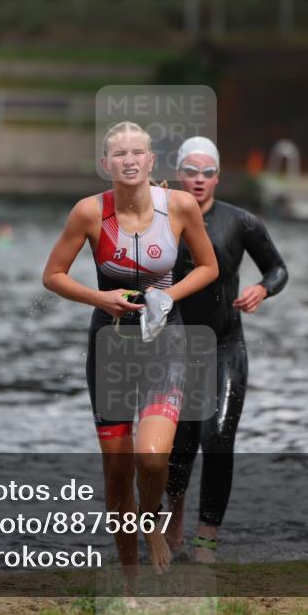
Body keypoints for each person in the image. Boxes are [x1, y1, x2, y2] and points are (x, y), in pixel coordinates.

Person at [42, 122, 218, 581]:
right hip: (111, 346)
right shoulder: (88, 213)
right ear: (106, 165)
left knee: (153, 457)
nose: (129, 160)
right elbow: (53, 275)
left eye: (137, 151)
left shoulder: (178, 206)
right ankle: (129, 579)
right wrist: (100, 298)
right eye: (119, 154)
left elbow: (209, 266)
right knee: (118, 473)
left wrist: (170, 295)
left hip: (165, 340)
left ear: (151, 161)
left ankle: (152, 518)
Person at [164, 136, 288, 563]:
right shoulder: (157, 220)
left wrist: (261, 288)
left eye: (208, 172)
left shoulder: (241, 222)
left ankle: (206, 540)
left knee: (216, 437)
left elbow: (278, 268)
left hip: (223, 345)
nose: (199, 180)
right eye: (191, 171)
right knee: (177, 445)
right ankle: (174, 510)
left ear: (218, 176)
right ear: (178, 173)